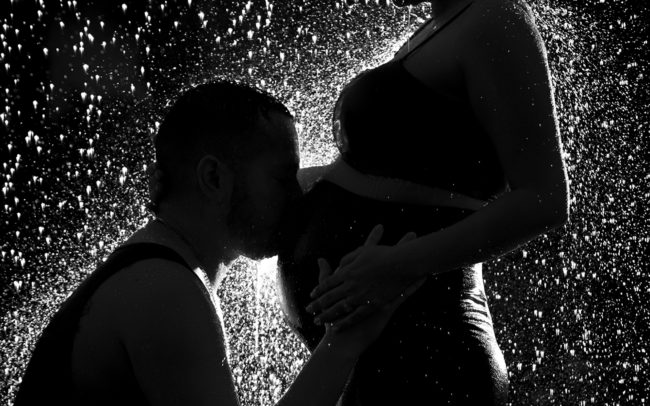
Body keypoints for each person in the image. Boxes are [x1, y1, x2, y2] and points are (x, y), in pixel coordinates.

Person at [15, 81, 419, 406]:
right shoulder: (163, 289)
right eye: (282, 179)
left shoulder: (158, 268)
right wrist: (343, 344)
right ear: (214, 179)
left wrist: (340, 343)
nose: (297, 199)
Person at [277, 0, 570, 404]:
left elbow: (545, 199)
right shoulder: (435, 29)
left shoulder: (494, 17)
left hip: (432, 350)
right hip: (377, 347)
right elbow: (391, 171)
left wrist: (400, 264)